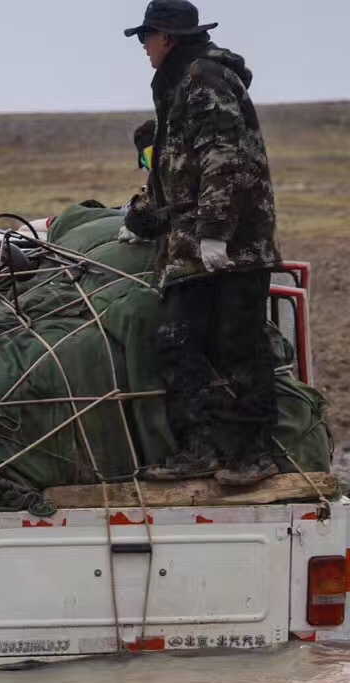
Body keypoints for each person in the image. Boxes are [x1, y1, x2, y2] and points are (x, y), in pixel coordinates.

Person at [121, 1, 283, 486]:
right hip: (190, 247)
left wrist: (215, 233)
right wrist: (144, 219)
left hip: (235, 247)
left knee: (240, 345)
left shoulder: (205, 78)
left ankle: (253, 454)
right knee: (176, 343)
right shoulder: (178, 84)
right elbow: (176, 168)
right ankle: (199, 449)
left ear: (167, 37)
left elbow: (224, 158)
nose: (143, 48)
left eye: (146, 38)